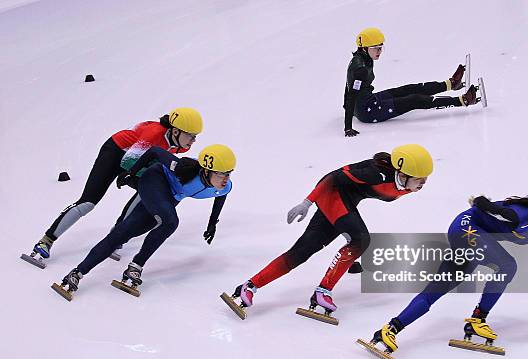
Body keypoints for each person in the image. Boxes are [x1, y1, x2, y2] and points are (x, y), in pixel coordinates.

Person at [360, 187, 528, 359]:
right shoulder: (520, 217)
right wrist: (479, 201)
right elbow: (486, 206)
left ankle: (389, 330)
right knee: (507, 265)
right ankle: (478, 319)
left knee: (438, 288)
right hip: (465, 229)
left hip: (474, 237)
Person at [223, 144, 433, 321]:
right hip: (332, 195)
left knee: (302, 251)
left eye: (425, 180)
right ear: (403, 174)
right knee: (360, 240)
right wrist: (307, 202)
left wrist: (348, 252)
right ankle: (322, 291)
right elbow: (332, 177)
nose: (423, 184)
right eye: (419, 180)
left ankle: (249, 286)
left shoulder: (405, 184)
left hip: (346, 203)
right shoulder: (376, 174)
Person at [51, 143, 235, 301]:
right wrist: (131, 173)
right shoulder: (182, 167)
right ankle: (136, 267)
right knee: (170, 222)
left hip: (168, 198)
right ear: (206, 170)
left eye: (229, 173)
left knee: (123, 232)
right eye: (221, 174)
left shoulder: (225, 186)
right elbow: (155, 151)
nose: (225, 179)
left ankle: (76, 273)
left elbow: (221, 195)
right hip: (154, 181)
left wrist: (213, 223)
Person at [25, 108, 203, 265]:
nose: (193, 141)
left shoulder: (182, 146)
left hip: (138, 161)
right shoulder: (155, 133)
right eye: (190, 135)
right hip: (117, 153)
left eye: (195, 136)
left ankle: (117, 234)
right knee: (88, 202)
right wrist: (137, 175)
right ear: (176, 131)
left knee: (147, 192)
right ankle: (46, 240)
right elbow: (129, 161)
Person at [343, 27, 479, 137]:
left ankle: (450, 84)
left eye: (381, 47)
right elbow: (351, 94)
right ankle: (463, 100)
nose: (380, 51)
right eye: (376, 48)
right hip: (367, 111)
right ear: (365, 48)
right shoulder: (360, 69)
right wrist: (348, 127)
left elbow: (348, 86)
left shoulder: (363, 58)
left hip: (368, 101)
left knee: (408, 89)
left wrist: (345, 106)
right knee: (414, 100)